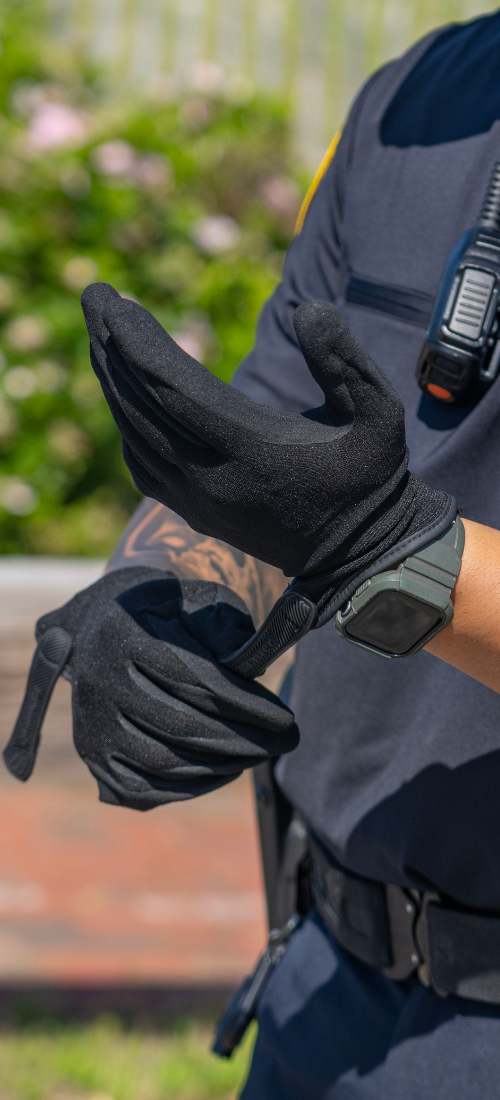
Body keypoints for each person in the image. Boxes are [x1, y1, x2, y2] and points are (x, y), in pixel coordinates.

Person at [8, 9, 500, 1097]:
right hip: (325, 996)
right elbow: (275, 436)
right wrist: (154, 594)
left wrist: (401, 558)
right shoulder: (417, 98)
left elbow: (360, 525)